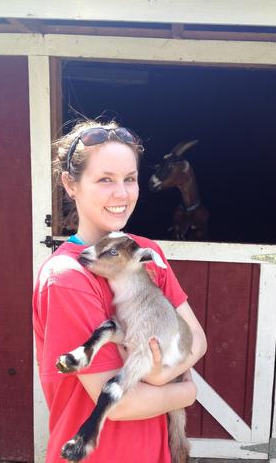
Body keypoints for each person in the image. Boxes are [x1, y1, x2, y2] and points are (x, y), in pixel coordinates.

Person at [32, 120, 207, 463]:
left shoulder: (145, 253)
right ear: (71, 184)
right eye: (105, 180)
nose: (122, 193)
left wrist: (157, 375)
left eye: (129, 179)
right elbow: (121, 404)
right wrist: (186, 390)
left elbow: (197, 338)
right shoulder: (67, 278)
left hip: (154, 452)